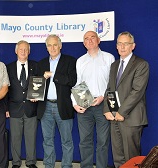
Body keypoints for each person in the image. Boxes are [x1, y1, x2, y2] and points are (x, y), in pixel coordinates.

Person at [103, 31, 149, 167]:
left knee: (132, 158)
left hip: (131, 118)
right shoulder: (114, 65)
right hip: (114, 117)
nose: (122, 47)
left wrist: (121, 112)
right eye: (119, 44)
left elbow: (137, 92)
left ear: (133, 46)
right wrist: (107, 109)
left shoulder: (141, 64)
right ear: (116, 46)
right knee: (118, 157)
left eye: (126, 44)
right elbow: (109, 89)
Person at [71, 31, 115, 168]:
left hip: (104, 105)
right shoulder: (80, 61)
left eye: (92, 38)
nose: (89, 41)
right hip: (85, 105)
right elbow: (77, 83)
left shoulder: (109, 58)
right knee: (85, 141)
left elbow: (113, 82)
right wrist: (74, 103)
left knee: (103, 141)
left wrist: (103, 96)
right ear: (84, 43)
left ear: (98, 40)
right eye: (86, 39)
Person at [37, 34, 77, 168]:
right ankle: (49, 165)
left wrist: (53, 75)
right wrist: (34, 94)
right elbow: (37, 85)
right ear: (46, 47)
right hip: (45, 106)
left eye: (55, 45)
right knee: (47, 140)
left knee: (67, 141)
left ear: (60, 46)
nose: (52, 48)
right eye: (49, 45)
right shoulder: (41, 63)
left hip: (63, 106)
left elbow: (72, 81)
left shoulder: (70, 61)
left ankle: (66, 166)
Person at [6, 40, 38, 168]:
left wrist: (38, 97)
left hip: (31, 108)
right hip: (14, 109)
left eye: (26, 49)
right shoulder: (8, 68)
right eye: (21, 49)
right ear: (16, 51)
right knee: (15, 138)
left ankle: (31, 162)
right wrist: (6, 108)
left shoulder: (36, 66)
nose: (23, 51)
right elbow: (5, 89)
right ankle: (16, 162)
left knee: (31, 138)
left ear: (29, 51)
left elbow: (40, 85)